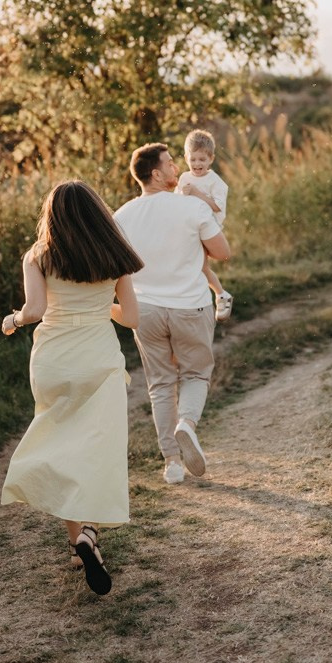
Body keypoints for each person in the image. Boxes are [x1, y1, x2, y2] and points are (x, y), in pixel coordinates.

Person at [0, 180, 143, 596]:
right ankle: (89, 534)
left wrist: (12, 321)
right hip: (96, 357)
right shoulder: (115, 255)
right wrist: (101, 306)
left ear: (53, 216)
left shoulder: (39, 256)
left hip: (53, 359)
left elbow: (36, 310)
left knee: (60, 440)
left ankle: (74, 540)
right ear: (98, 213)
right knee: (96, 447)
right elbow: (131, 317)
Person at [114, 143, 231, 485]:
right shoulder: (191, 207)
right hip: (190, 307)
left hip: (146, 310)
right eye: (169, 163)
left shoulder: (121, 216)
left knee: (161, 384)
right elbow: (223, 253)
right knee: (195, 374)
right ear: (155, 173)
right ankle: (187, 425)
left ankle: (172, 464)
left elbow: (116, 269)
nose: (176, 167)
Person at [176, 128, 233, 320]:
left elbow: (217, 207)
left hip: (207, 228)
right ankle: (216, 295)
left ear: (211, 159)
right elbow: (177, 200)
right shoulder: (184, 178)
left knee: (201, 267)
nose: (197, 164)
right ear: (186, 158)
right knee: (197, 267)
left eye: (202, 159)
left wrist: (197, 194)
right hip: (187, 227)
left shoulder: (215, 182)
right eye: (193, 159)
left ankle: (220, 294)